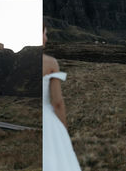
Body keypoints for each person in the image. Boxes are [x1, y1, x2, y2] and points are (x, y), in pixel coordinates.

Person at [43, 25, 82, 171]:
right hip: (48, 120)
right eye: (45, 34)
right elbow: (58, 103)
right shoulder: (50, 63)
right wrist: (63, 130)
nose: (46, 38)